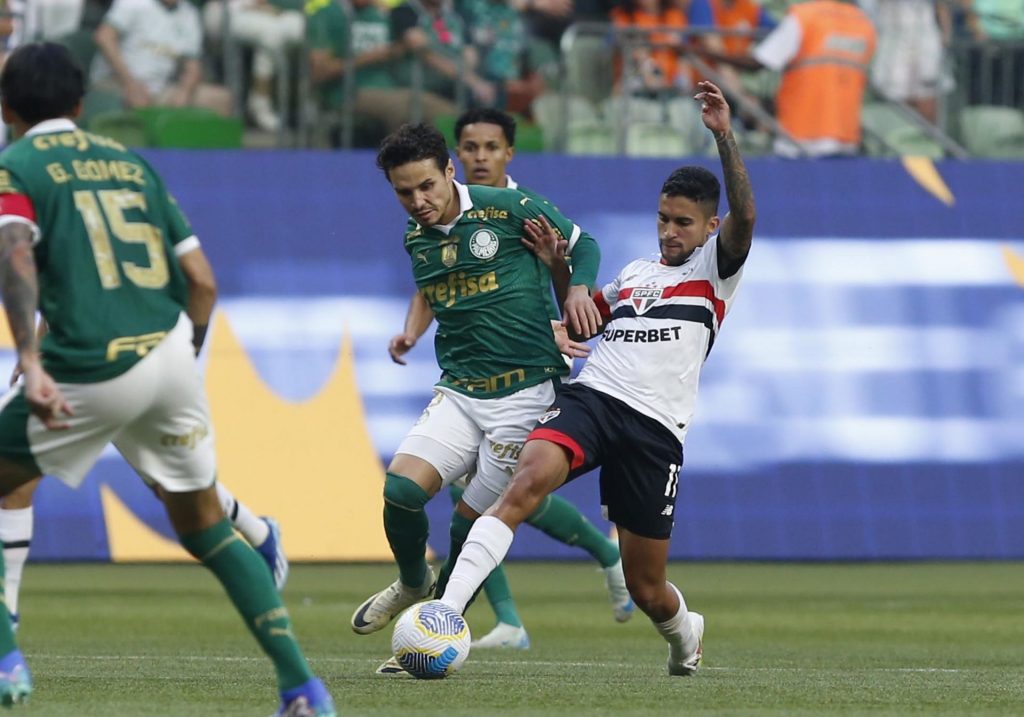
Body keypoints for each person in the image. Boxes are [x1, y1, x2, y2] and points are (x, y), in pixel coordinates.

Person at [0, 43, 334, 714]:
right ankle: (303, 687)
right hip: (169, 355)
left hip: (86, 363)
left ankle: (8, 658)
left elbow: (14, 252)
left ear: (6, 109)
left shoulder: (19, 165)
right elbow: (202, 281)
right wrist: (182, 355)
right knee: (205, 524)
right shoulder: (134, 165)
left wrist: (30, 363)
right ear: (80, 104)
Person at [434, 80, 755, 676]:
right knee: (523, 483)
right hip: (594, 399)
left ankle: (686, 634)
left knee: (647, 589)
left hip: (655, 429)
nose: (669, 232)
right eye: (663, 219)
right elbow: (581, 316)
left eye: (683, 223)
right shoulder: (634, 274)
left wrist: (724, 137)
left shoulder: (717, 270)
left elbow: (748, 214)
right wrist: (560, 270)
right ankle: (445, 615)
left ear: (711, 226)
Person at [350, 122, 602, 665]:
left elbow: (584, 245)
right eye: (403, 192)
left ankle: (433, 629)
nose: (417, 201)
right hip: (461, 390)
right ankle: (413, 584)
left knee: (469, 524)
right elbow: (451, 295)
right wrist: (414, 332)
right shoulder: (415, 238)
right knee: (400, 492)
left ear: (448, 172)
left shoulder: (506, 208)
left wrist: (574, 294)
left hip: (525, 395)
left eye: (426, 187)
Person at [448, 107, 633, 650]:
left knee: (494, 494)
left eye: (490, 147)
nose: (479, 157)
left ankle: (506, 618)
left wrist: (568, 299)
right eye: (469, 147)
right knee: (499, 491)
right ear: (457, 153)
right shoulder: (446, 210)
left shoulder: (524, 212)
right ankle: (590, 567)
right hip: (476, 370)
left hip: (528, 372)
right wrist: (413, 331)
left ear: (509, 153)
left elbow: (575, 257)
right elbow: (437, 287)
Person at [0, 469, 289, 632]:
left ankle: (259, 533)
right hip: (76, 372)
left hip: (133, 374)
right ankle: (7, 611)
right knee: (14, 466)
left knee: (174, 485)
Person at [700, 0, 876, 158]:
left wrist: (701, 53)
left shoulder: (805, 16)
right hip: (846, 136)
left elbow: (757, 63)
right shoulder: (863, 24)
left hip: (800, 137)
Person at [89, 0, 233, 119]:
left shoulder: (189, 13)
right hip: (115, 83)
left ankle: (193, 153)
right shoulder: (133, 3)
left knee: (221, 100)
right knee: (137, 102)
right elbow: (104, 37)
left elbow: (193, 65)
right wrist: (130, 85)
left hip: (159, 88)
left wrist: (185, 92)